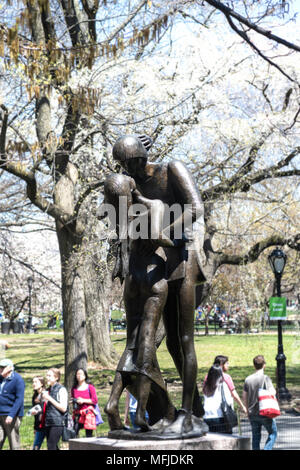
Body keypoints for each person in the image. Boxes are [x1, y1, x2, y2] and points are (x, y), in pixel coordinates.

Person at [104, 134, 207, 436]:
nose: (131, 168)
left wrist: (162, 232)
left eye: (135, 161)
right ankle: (168, 410)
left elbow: (195, 208)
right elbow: (121, 223)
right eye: (125, 165)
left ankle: (188, 413)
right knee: (158, 341)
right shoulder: (130, 186)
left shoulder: (170, 169)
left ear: (144, 156)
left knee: (183, 339)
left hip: (181, 259)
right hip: (155, 265)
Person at [243, 355, 278, 450]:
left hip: (252, 413)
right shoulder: (265, 378)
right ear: (264, 365)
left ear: (254, 366)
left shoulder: (248, 379)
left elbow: (244, 397)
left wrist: (247, 410)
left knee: (256, 437)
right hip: (265, 412)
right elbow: (273, 392)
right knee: (273, 433)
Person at [0, 358, 25, 450]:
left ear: (10, 368)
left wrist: (11, 415)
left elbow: (19, 400)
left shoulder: (18, 380)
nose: (0, 369)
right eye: (0, 367)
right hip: (0, 413)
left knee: (13, 442)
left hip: (11, 415)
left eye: (3, 367)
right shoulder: (0, 378)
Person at [202, 364, 234, 434]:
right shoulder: (222, 385)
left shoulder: (206, 386)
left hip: (206, 416)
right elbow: (228, 400)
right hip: (219, 415)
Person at [42, 368, 68, 450]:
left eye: (49, 376)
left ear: (56, 377)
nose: (47, 377)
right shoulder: (48, 390)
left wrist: (49, 398)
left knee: (51, 446)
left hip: (57, 423)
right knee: (52, 446)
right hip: (48, 422)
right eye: (47, 375)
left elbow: (63, 408)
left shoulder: (61, 389)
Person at [71, 368, 98, 438]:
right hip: (77, 414)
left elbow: (94, 400)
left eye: (81, 374)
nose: (79, 376)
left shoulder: (90, 387)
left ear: (85, 376)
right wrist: (74, 401)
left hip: (88, 414)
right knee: (74, 433)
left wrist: (83, 400)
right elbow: (73, 398)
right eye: (78, 374)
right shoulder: (74, 388)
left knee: (88, 436)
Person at [30, 376, 46, 450]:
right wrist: (35, 428)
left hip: (48, 424)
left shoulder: (46, 394)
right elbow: (36, 415)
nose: (34, 384)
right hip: (39, 426)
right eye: (33, 382)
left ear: (42, 383)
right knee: (36, 447)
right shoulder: (35, 396)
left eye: (36, 382)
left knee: (53, 446)